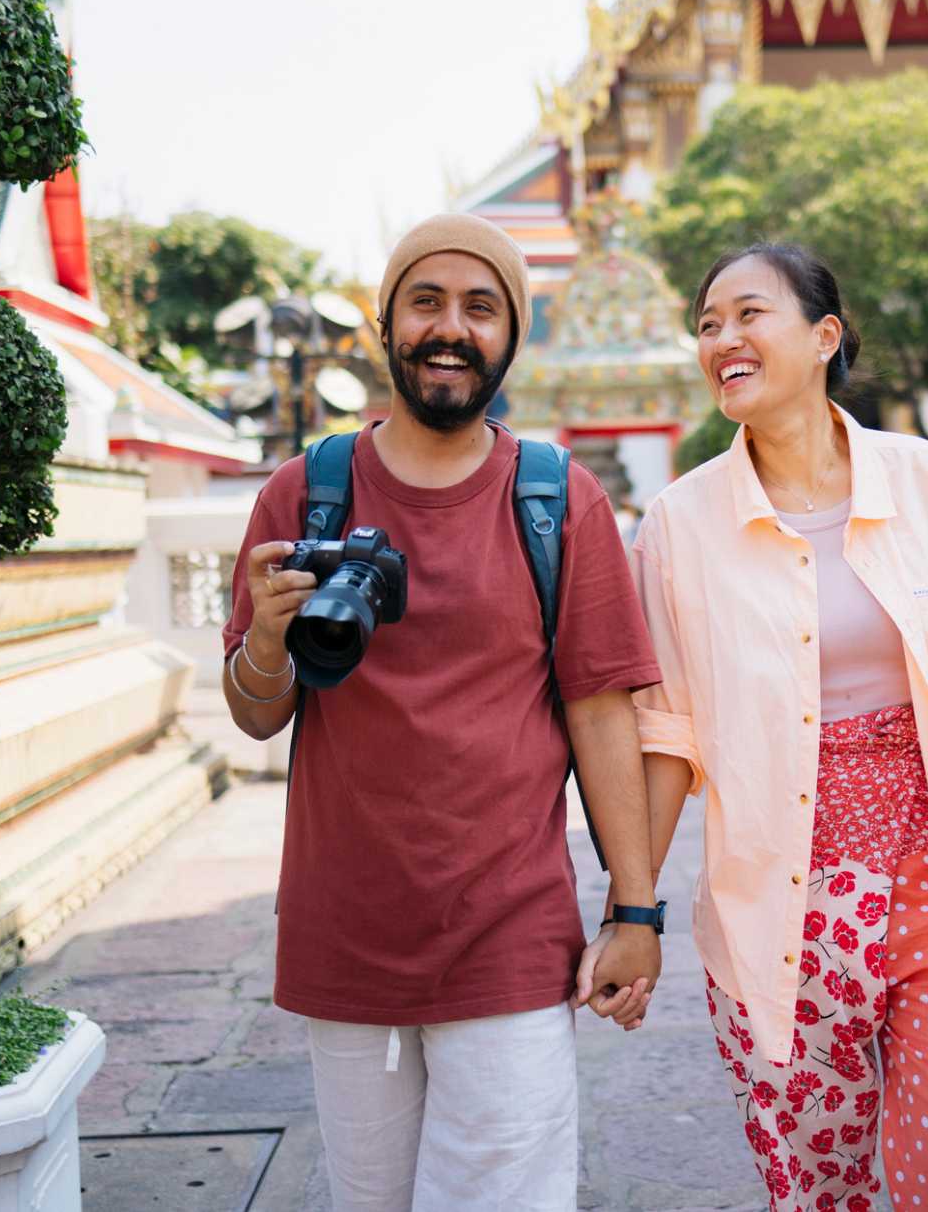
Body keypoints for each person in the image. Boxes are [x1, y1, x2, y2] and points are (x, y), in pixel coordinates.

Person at [603, 243, 928, 1211]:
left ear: (823, 337)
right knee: (818, 1187)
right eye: (705, 323)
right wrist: (632, 913)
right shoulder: (679, 527)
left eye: (747, 314)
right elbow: (669, 735)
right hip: (777, 900)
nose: (721, 338)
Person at [221, 213, 664, 1212]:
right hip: (344, 933)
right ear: (388, 324)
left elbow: (601, 716)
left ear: (511, 335)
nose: (449, 328)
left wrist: (634, 911)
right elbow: (255, 716)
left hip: (506, 934)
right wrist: (264, 641)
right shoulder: (305, 493)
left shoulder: (557, 500)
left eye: (479, 306)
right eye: (425, 302)